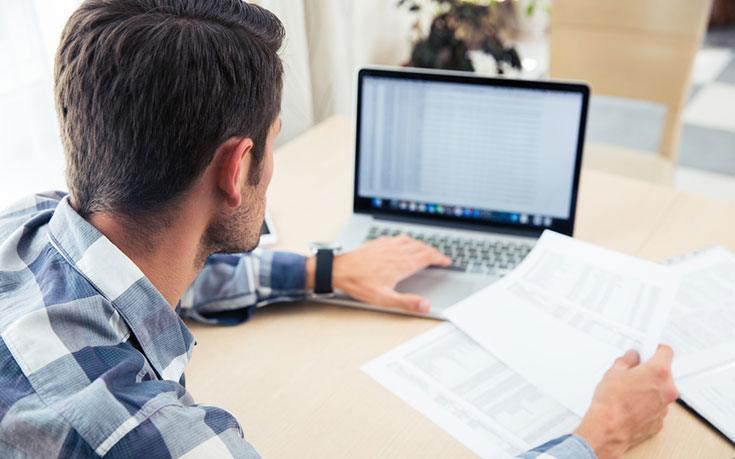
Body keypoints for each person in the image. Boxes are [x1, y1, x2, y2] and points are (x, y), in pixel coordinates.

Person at [0, 1, 678, 457]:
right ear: (239, 168)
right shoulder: (148, 435)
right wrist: (599, 433)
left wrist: (326, 270)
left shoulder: (28, 230)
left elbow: (144, 272)